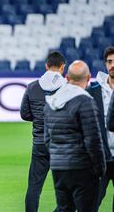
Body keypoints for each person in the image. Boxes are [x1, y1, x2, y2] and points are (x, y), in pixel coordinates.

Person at [44, 60, 105, 212]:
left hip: (59, 167)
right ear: (89, 77)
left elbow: (47, 138)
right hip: (82, 167)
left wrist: (57, 158)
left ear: (66, 78)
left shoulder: (51, 102)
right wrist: (100, 168)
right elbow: (93, 140)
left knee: (64, 209)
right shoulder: (85, 101)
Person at [20, 51, 66, 212]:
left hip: (39, 144)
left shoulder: (32, 86)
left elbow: (24, 114)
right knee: (67, 188)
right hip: (62, 145)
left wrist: (40, 120)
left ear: (46, 66)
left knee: (34, 186)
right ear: (62, 67)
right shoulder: (68, 87)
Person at [86, 46, 114, 210]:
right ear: (105, 64)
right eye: (109, 62)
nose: (112, 65)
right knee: (92, 202)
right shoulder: (93, 90)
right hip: (100, 157)